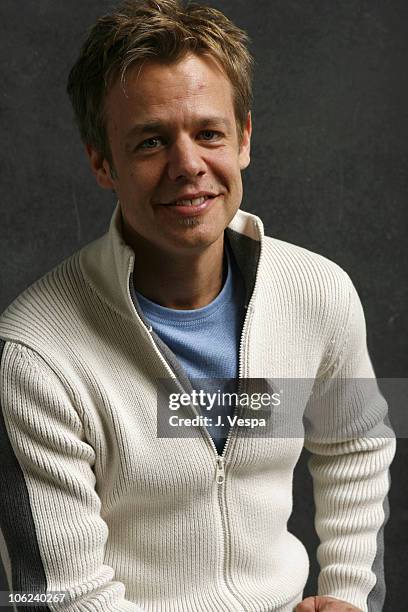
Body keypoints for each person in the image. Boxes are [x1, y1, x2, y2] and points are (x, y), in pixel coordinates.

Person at [0, 1, 395, 611]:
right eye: (152, 141)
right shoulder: (34, 357)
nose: (189, 166)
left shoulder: (317, 293)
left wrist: (348, 593)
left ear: (243, 140)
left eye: (208, 133)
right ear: (102, 161)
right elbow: (62, 599)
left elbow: (355, 444)